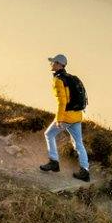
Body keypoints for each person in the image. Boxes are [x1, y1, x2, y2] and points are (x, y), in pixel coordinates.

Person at [38, 53, 91, 182]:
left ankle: (54, 162)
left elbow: (62, 101)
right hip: (77, 116)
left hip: (66, 116)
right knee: (78, 143)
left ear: (58, 64)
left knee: (49, 134)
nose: (51, 64)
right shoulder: (72, 78)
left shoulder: (58, 80)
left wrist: (59, 118)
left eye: (53, 62)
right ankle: (85, 171)